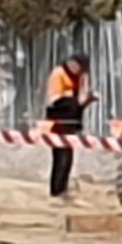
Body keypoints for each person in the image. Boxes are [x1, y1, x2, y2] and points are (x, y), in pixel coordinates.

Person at [44, 54, 94, 200]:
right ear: (73, 64)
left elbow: (79, 102)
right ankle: (56, 191)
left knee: (68, 158)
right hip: (59, 123)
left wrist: (85, 99)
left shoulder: (77, 77)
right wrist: (77, 101)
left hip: (71, 123)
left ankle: (62, 189)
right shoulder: (59, 74)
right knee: (61, 158)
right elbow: (55, 101)